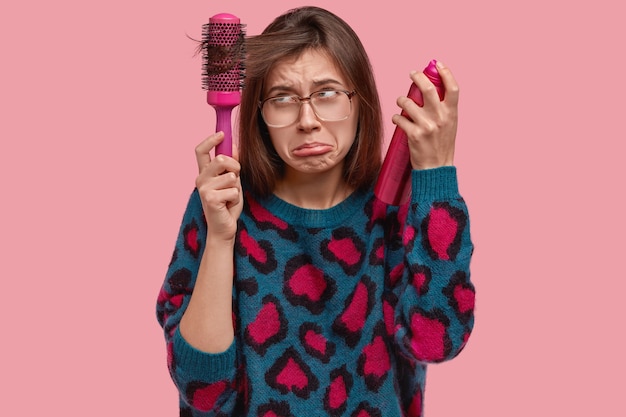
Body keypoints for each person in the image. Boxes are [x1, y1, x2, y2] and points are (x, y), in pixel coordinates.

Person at [156, 6, 475, 417]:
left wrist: (438, 174)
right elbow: (202, 392)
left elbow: (436, 342)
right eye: (282, 99)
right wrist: (220, 239)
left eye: (327, 94)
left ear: (360, 102)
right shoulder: (221, 203)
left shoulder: (397, 208)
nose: (307, 120)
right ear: (259, 113)